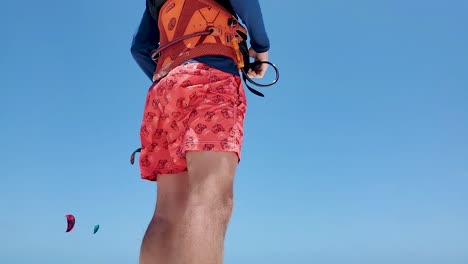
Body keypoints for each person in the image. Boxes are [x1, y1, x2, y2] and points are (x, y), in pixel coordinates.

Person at [130, 0, 270, 263]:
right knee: (210, 199)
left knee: (165, 214)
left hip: (163, 91)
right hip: (211, 79)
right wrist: (261, 48)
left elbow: (139, 48)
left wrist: (176, 73)